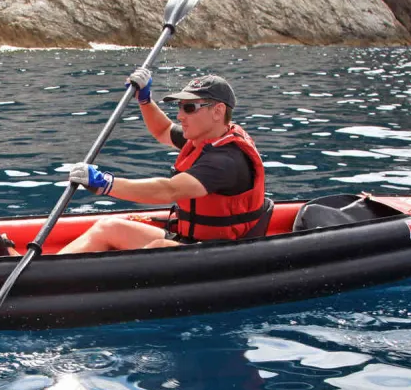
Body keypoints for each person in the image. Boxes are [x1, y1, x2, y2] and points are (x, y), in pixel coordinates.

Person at [53, 68, 269, 254]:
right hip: (191, 240)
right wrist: (145, 100)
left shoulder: (225, 161)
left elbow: (169, 190)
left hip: (220, 252)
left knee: (159, 246)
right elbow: (163, 130)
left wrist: (106, 183)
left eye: (189, 108)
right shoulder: (203, 138)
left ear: (218, 111)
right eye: (180, 107)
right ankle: (45, 271)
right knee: (108, 227)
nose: (180, 116)